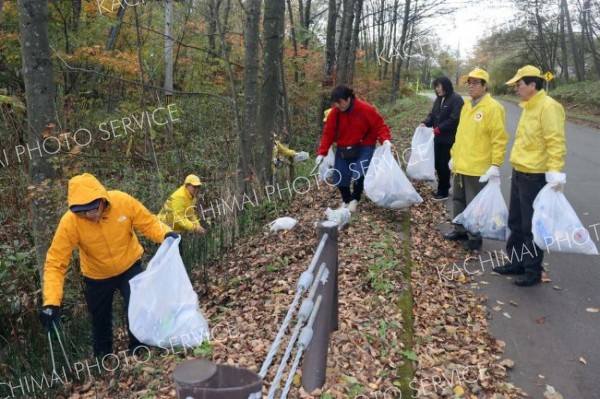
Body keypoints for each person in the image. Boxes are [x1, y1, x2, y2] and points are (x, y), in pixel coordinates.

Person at [39, 173, 176, 357]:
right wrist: (51, 303)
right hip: (97, 276)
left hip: (129, 265)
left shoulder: (122, 201)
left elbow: (148, 222)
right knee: (100, 320)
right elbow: (55, 262)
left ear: (103, 200)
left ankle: (139, 350)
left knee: (136, 309)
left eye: (93, 209)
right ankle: (103, 359)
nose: (89, 215)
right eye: (82, 212)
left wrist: (166, 234)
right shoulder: (70, 222)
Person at [493, 65, 566, 286]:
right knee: (515, 221)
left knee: (530, 226)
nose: (516, 88)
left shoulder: (548, 107)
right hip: (520, 171)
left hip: (535, 175)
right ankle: (516, 262)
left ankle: (532, 270)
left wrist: (554, 171)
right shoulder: (528, 107)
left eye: (519, 84)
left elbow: (555, 141)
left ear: (532, 85)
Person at [444, 68, 509, 251]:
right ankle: (460, 229)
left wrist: (495, 165)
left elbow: (499, 139)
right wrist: (453, 156)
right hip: (461, 164)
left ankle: (475, 237)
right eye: (469, 83)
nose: (471, 87)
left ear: (484, 85)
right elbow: (460, 135)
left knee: (476, 204)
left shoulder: (493, 108)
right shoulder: (466, 105)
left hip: (478, 167)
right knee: (458, 199)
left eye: (475, 83)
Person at [315, 85, 392, 213]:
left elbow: (380, 125)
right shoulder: (335, 114)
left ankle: (355, 199)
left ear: (349, 98)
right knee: (340, 175)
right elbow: (328, 133)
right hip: (344, 147)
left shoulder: (365, 109)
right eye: (336, 103)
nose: (339, 106)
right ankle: (346, 200)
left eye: (341, 102)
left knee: (358, 172)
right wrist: (322, 153)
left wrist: (385, 139)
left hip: (364, 145)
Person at [420, 76, 464, 200]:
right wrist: (425, 123)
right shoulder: (439, 99)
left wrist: (441, 128)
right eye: (435, 87)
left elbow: (454, 118)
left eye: (438, 86)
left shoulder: (456, 100)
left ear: (446, 86)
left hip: (449, 139)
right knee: (437, 164)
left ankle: (443, 191)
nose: (437, 89)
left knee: (443, 164)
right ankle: (445, 184)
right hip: (437, 138)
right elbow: (432, 115)